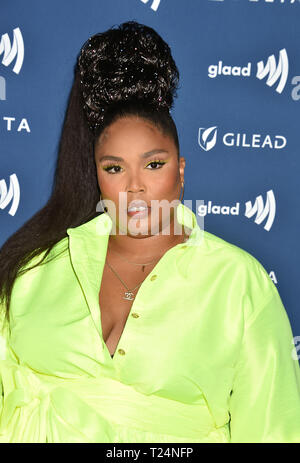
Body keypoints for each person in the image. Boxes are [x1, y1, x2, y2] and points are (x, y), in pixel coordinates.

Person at [0, 20, 300, 444]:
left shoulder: (237, 281)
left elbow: (274, 428)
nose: (134, 185)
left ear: (180, 171)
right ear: (98, 175)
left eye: (154, 164)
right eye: (115, 168)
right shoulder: (35, 271)